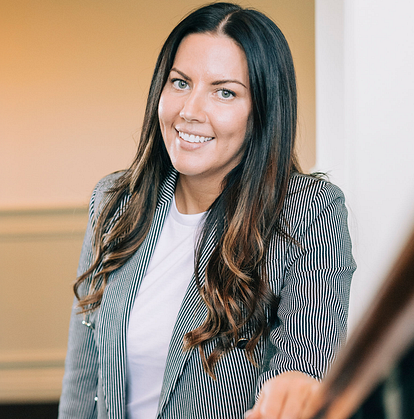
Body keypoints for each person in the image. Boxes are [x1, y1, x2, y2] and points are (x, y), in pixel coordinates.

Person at [58, 3, 355, 419]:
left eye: (225, 91)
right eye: (180, 83)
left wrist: (297, 386)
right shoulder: (114, 201)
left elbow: (303, 372)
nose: (191, 111)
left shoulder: (306, 210)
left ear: (262, 112)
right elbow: (83, 377)